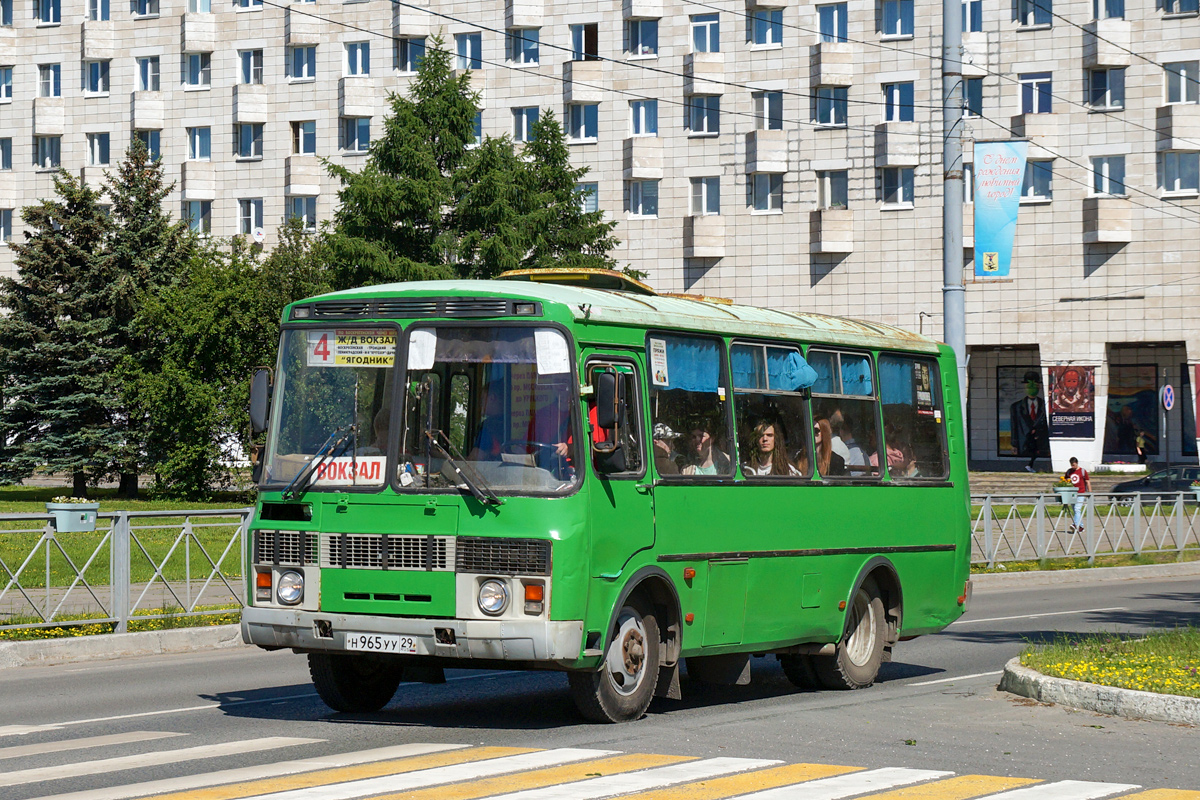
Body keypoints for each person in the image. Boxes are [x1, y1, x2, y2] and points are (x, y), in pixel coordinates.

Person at [1010, 370, 1049, 473]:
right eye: (1028, 384)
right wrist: (1014, 444)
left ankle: (1030, 465)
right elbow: (1014, 426)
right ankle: (1029, 466)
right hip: (1024, 441)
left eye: (1035, 384)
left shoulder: (1045, 405)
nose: (1032, 388)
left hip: (1040, 441)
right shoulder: (1016, 407)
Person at [1064, 456, 1091, 533]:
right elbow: (1065, 480)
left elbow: (1087, 481)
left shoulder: (1082, 471)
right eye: (1071, 465)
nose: (1073, 467)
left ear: (1077, 463)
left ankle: (1075, 524)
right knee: (1075, 511)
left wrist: (1090, 492)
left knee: (1077, 509)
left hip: (1081, 493)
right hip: (1072, 493)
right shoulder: (1069, 471)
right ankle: (1081, 527)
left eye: (1074, 465)